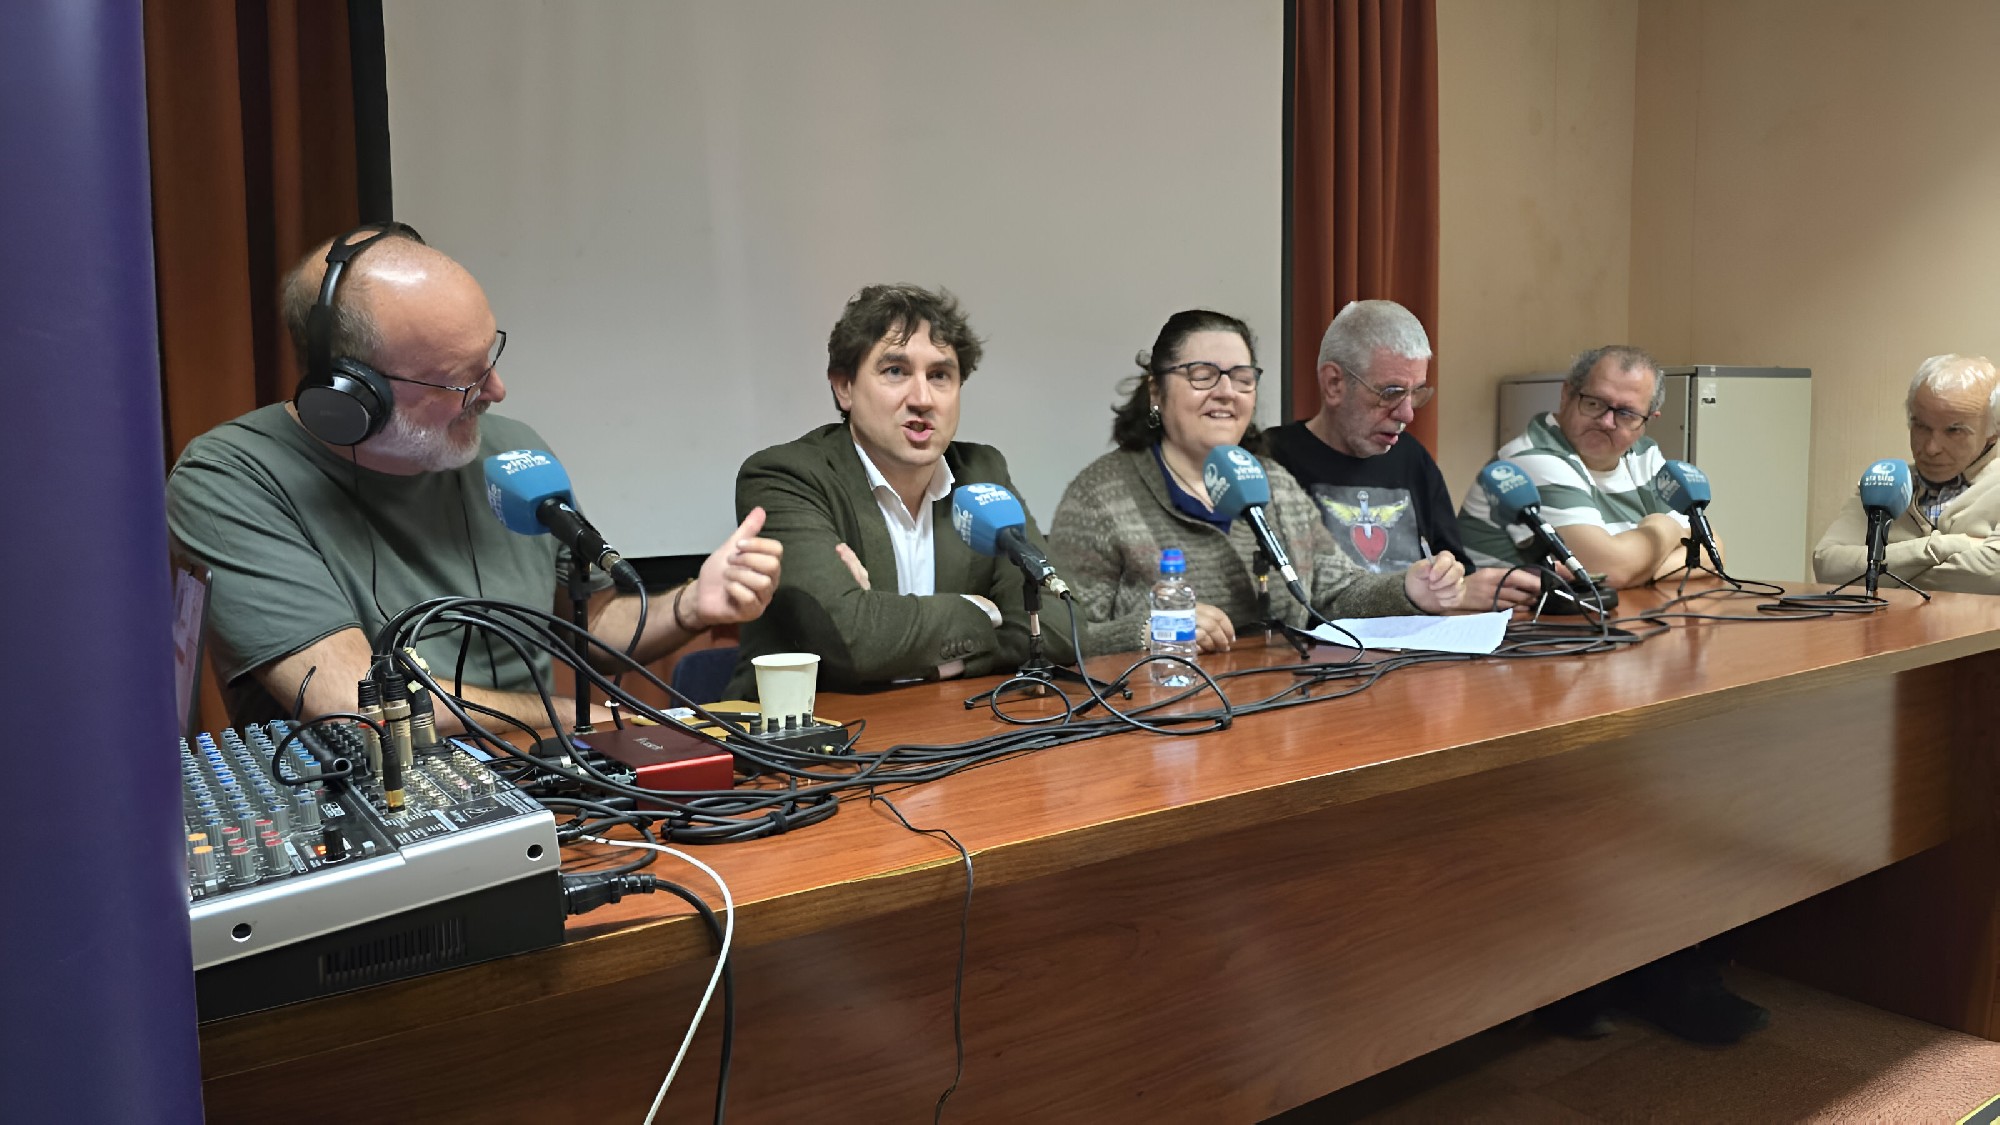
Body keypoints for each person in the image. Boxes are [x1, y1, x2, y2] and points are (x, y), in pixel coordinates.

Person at [168, 224, 782, 729]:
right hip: (385, 814)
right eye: (460, 379)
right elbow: (356, 701)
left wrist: (691, 605)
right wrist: (576, 718)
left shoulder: (510, 452)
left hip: (561, 788)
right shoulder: (228, 482)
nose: (496, 391)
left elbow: (584, 627)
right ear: (354, 396)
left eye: (490, 357)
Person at [1046, 309, 1485, 660]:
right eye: (1202, 375)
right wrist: (1147, 630)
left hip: (1279, 718)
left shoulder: (1272, 482)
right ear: (1156, 391)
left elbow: (1335, 592)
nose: (1226, 392)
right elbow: (1061, 636)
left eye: (1242, 379)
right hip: (1157, 727)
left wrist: (1408, 587)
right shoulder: (1099, 497)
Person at [728, 284, 1068, 696]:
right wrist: (984, 610)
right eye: (896, 371)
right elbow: (850, 640)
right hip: (811, 744)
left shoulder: (980, 471)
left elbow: (1057, 623)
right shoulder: (786, 476)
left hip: (946, 731)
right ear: (844, 387)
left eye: (940, 375)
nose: (922, 398)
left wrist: (919, 653)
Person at [1268, 299, 1535, 611]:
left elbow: (1456, 569)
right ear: (1334, 384)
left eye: (1416, 393)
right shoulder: (1272, 461)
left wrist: (1457, 580)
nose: (1407, 414)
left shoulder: (1412, 459)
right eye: (1391, 393)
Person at [1458, 345, 1692, 588]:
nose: (1606, 422)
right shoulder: (1533, 459)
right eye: (1594, 403)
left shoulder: (1644, 454)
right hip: (1518, 620)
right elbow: (1608, 571)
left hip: (1600, 613)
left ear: (1649, 420)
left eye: (1626, 413)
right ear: (1566, 394)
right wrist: (1664, 527)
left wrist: (1636, 569)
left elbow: (1712, 550)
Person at [1813, 354, 2000, 591]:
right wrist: (1946, 546)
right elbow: (1828, 566)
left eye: (1955, 431)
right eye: (1921, 426)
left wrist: (1879, 574)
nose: (1931, 448)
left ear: (1994, 431)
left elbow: (1993, 577)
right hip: (1886, 628)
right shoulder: (1884, 480)